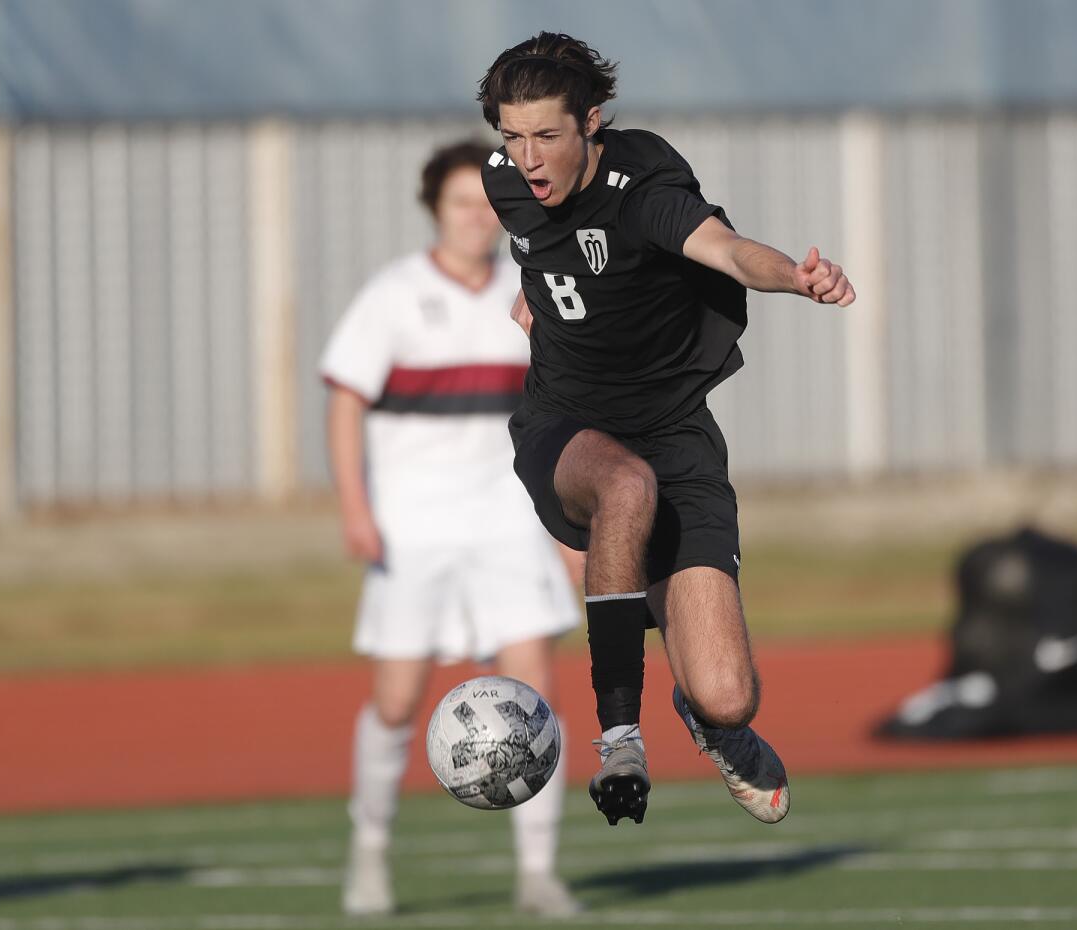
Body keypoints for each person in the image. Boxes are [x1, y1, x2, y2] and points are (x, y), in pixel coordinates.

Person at [477, 34, 856, 826]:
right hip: (566, 426)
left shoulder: (644, 187)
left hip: (674, 433)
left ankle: (703, 717)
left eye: (547, 135)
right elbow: (547, 264)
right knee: (623, 485)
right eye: (512, 137)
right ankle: (620, 735)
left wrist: (797, 276)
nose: (528, 158)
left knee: (729, 695)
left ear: (592, 121)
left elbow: (725, 250)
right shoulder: (504, 182)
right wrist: (537, 304)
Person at [320, 139, 583, 916]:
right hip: (414, 525)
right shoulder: (393, 295)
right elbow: (344, 403)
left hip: (512, 520)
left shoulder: (531, 289)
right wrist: (356, 508)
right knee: (398, 702)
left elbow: (565, 413)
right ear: (435, 210)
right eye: (461, 204)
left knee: (536, 695)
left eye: (489, 204)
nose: (476, 219)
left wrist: (569, 528)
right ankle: (369, 850)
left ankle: (539, 871)